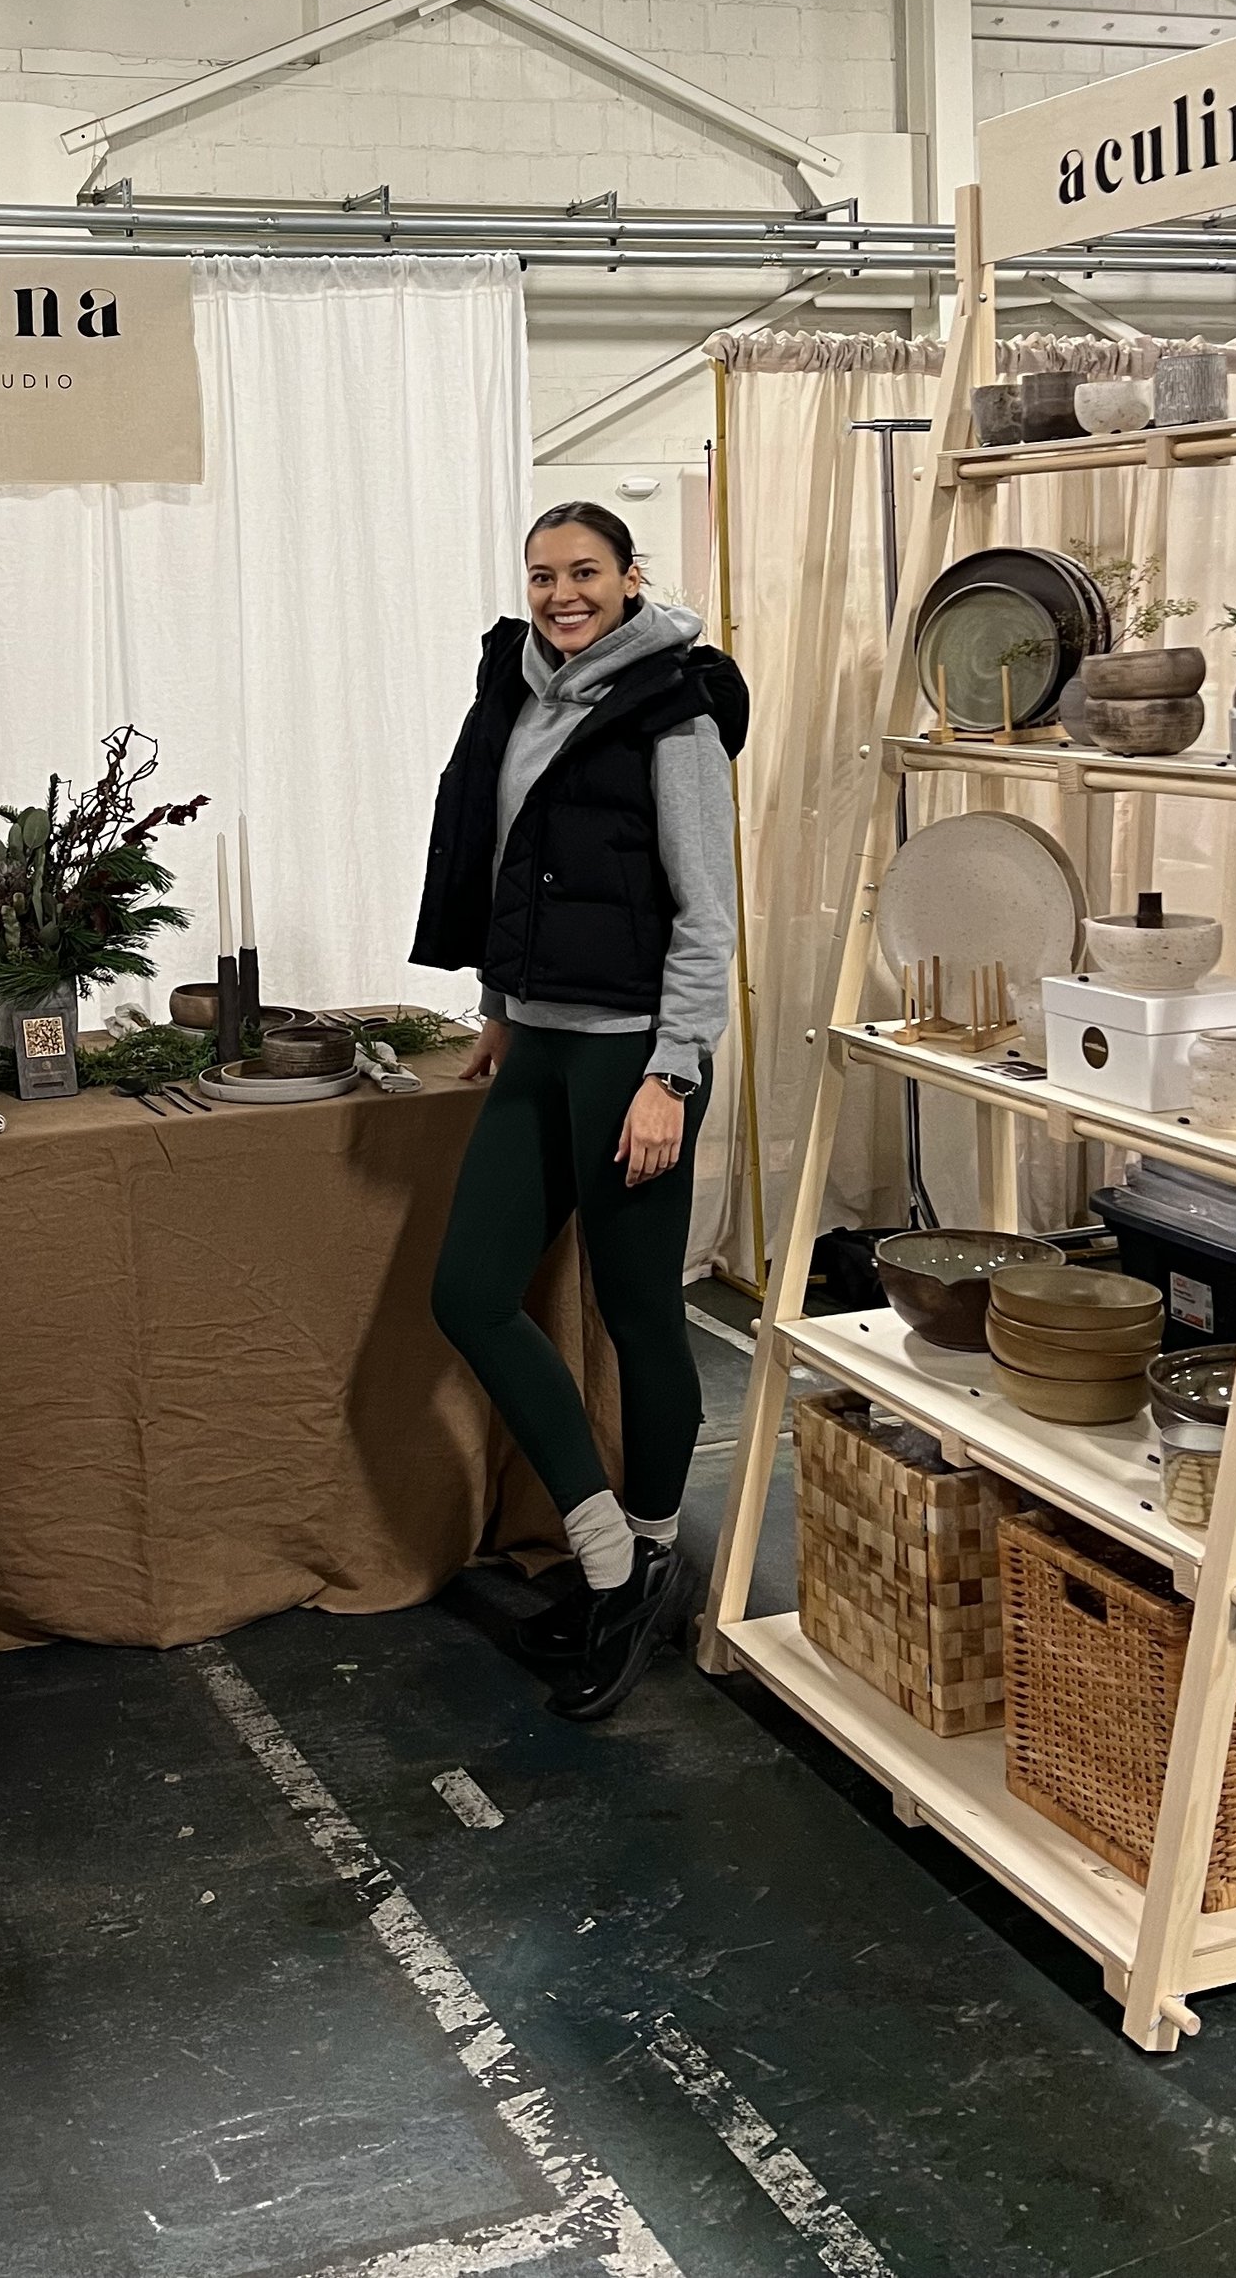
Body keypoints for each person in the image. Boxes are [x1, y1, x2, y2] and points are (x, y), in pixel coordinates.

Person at [411, 500, 748, 1721]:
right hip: (539, 1043)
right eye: (544, 574)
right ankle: (609, 1551)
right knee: (469, 1292)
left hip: (628, 1063)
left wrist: (672, 1072)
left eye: (586, 573)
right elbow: (507, 861)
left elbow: (707, 911)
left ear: (627, 578)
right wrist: (499, 1002)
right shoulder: (518, 690)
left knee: (637, 1311)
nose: (562, 593)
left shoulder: (676, 708)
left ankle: (651, 1550)